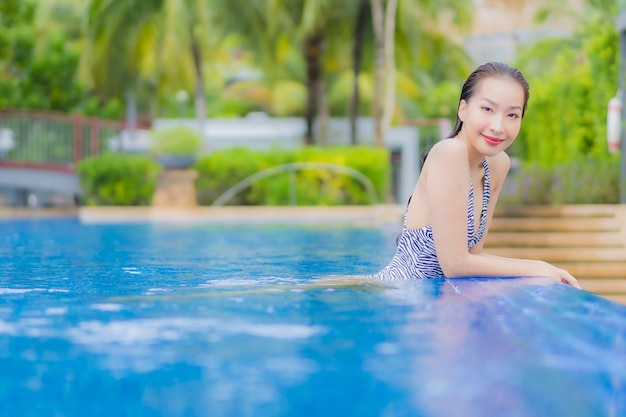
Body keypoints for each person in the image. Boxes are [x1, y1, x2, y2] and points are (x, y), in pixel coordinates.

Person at [375, 62, 581, 289]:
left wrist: (547, 269)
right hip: (400, 297)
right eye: (487, 109)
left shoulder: (497, 164)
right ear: (463, 109)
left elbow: (473, 257)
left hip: (439, 303)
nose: (498, 126)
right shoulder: (449, 153)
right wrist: (537, 268)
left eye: (512, 114)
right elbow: (455, 266)